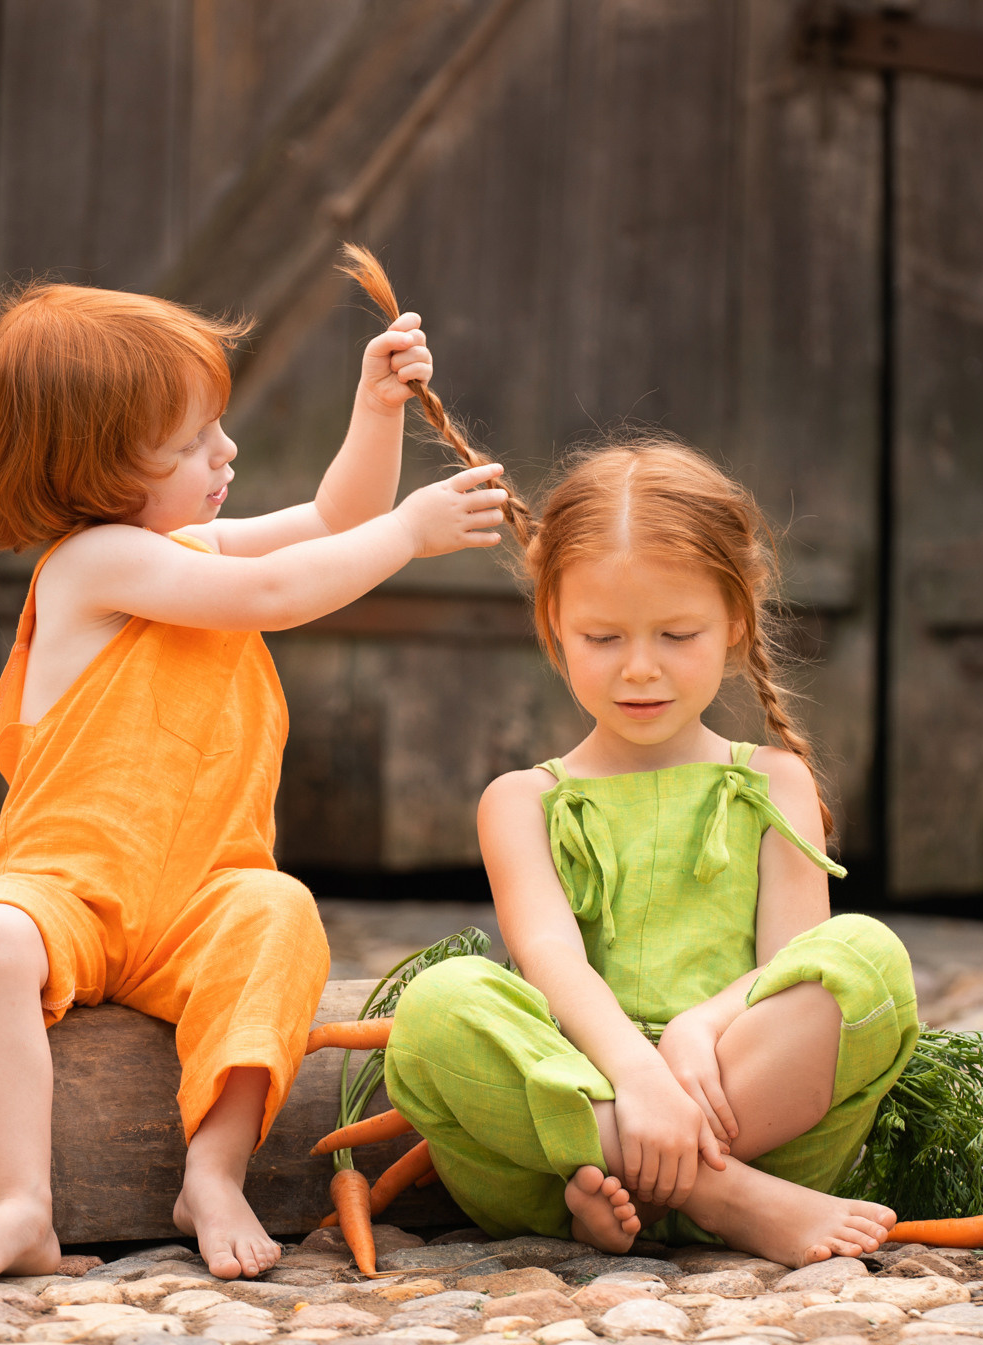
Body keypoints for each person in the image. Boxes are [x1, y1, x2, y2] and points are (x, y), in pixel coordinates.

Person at [0, 282, 508, 1284]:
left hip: (199, 900)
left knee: (279, 912)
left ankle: (213, 1168)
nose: (223, 452)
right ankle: (23, 1200)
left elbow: (330, 518)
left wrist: (375, 410)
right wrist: (410, 536)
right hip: (74, 893)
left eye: (216, 428)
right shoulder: (93, 565)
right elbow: (274, 592)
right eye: (191, 444)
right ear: (91, 469)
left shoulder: (179, 545)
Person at [383, 437, 919, 1267]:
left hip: (746, 1109)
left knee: (865, 956)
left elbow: (789, 966)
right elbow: (551, 961)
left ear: (737, 619)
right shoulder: (522, 801)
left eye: (677, 633)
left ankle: (638, 1184)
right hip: (583, 1093)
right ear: (554, 625)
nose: (640, 669)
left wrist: (698, 1030)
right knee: (438, 1005)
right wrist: (635, 1076)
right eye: (602, 638)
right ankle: (720, 1198)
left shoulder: (776, 782)